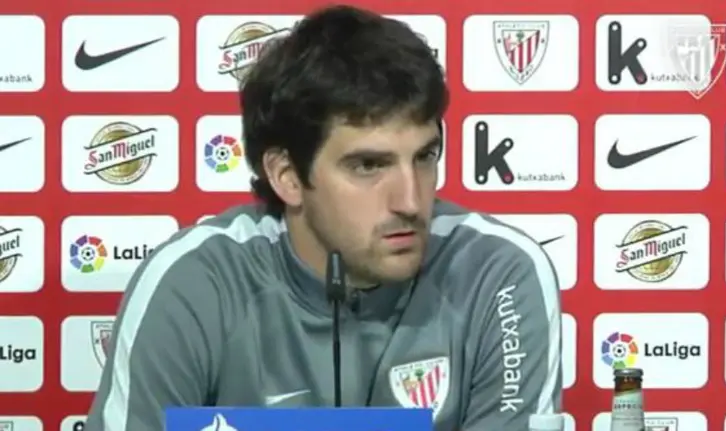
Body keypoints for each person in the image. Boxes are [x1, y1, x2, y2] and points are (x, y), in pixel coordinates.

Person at [85, 4, 562, 431]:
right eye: (368, 166)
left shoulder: (497, 273)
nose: (411, 201)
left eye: (424, 156)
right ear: (287, 176)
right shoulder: (193, 282)